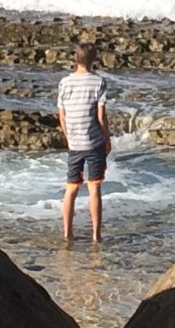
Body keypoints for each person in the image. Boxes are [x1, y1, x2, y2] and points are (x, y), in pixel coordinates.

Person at [57, 43, 111, 243]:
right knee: (94, 188)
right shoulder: (98, 82)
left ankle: (67, 233)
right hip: (94, 141)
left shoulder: (64, 83)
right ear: (94, 59)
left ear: (75, 58)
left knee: (71, 189)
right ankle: (96, 235)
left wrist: (68, 136)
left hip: (74, 144)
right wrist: (107, 138)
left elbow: (62, 114)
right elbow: (101, 116)